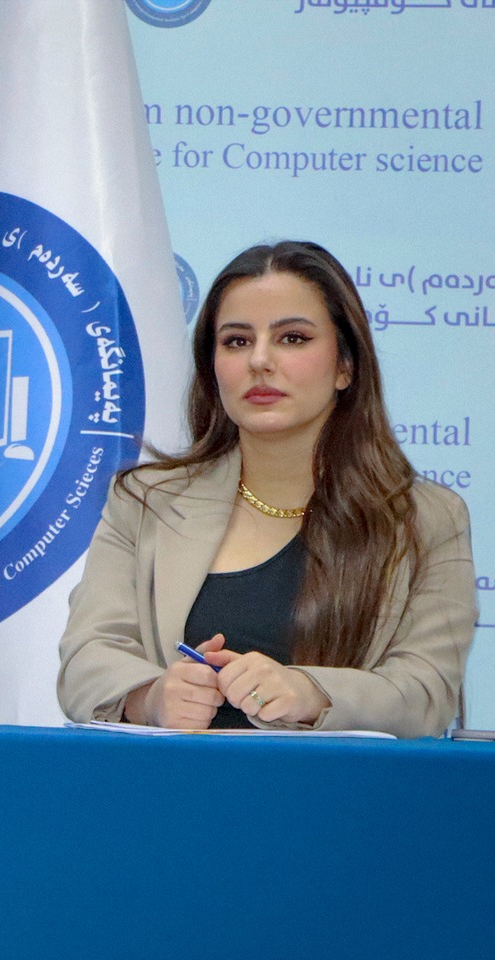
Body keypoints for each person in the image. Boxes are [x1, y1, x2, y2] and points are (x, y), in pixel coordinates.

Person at [59, 240, 475, 738]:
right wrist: (150, 697)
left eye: (292, 338)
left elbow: (427, 693)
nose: (259, 360)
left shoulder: (426, 518)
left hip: (333, 786)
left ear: (346, 366)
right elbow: (86, 659)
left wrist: (311, 693)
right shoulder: (145, 501)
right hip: (170, 782)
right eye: (236, 341)